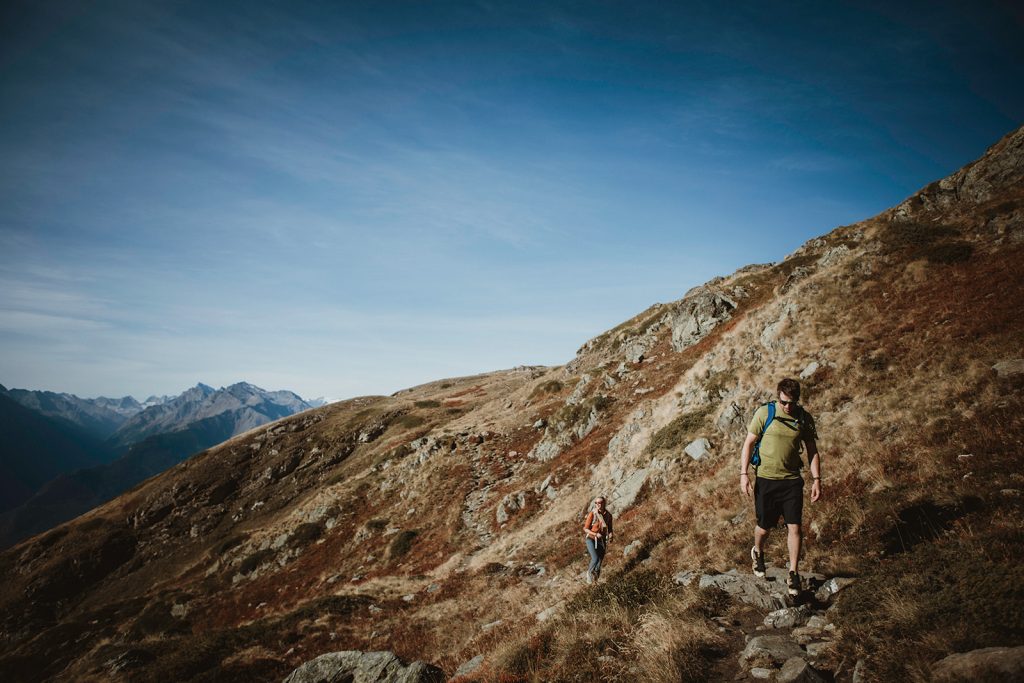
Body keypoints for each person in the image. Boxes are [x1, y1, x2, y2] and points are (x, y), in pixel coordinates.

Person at [739, 378, 821, 596]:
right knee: (764, 527)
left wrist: (817, 480)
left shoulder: (803, 418)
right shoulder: (765, 414)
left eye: (792, 402)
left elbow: (812, 451)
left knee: (795, 527)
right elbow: (748, 444)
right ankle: (757, 551)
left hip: (792, 481)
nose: (788, 407)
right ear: (778, 397)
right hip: (766, 479)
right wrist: (744, 475)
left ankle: (793, 573)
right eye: (784, 402)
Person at [583, 496, 613, 584]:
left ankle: (595, 582)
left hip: (602, 541)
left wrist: (611, 536)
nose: (597, 504)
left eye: (599, 503)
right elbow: (585, 529)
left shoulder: (608, 515)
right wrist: (595, 534)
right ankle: (588, 573)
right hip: (591, 539)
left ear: (604, 503)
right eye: (596, 503)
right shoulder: (592, 514)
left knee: (599, 563)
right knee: (595, 558)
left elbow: (610, 528)